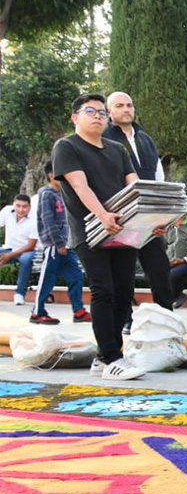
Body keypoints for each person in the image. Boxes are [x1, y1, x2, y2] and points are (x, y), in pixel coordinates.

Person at [53, 93, 147, 381]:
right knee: (103, 291)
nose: (97, 116)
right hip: (90, 231)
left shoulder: (118, 149)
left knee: (123, 293)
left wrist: (152, 219)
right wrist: (103, 216)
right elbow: (81, 188)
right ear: (75, 117)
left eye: (101, 113)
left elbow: (136, 187)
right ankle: (111, 358)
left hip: (125, 229)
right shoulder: (67, 147)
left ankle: (106, 355)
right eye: (90, 111)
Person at [104, 92, 177, 328]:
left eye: (129, 105)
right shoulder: (104, 137)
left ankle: (167, 318)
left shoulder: (145, 139)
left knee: (159, 268)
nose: (126, 109)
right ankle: (124, 320)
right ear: (109, 111)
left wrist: (163, 215)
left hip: (149, 214)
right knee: (122, 272)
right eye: (119, 106)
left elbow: (158, 176)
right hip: (121, 214)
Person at [30, 162, 90, 326]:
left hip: (66, 245)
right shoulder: (46, 194)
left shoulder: (63, 194)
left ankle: (78, 311)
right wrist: (57, 243)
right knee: (47, 278)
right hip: (54, 246)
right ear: (51, 175)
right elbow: (48, 220)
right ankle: (37, 312)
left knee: (76, 276)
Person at [0, 195, 39, 305]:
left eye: (24, 207)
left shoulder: (35, 218)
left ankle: (19, 294)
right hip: (8, 248)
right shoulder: (7, 211)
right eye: (18, 206)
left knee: (26, 260)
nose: (21, 209)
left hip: (27, 251)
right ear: (14, 204)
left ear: (30, 207)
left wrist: (10, 255)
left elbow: (31, 245)